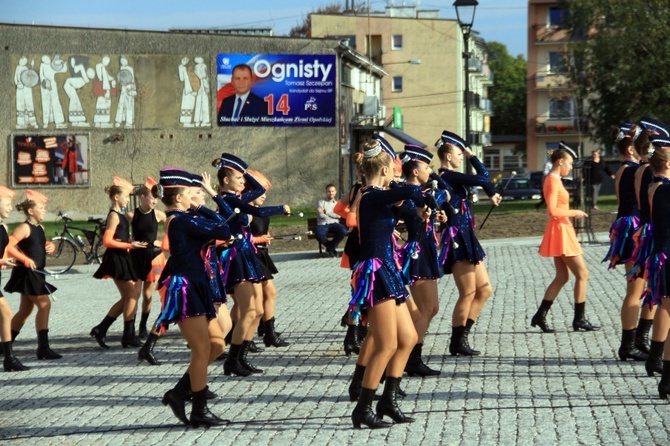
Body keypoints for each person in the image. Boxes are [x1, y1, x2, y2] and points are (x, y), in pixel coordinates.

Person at [349, 139, 429, 429]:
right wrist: (411, 192)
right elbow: (410, 189)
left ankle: (388, 401)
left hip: (389, 272)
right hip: (375, 272)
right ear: (384, 170)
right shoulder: (369, 196)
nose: (396, 174)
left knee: (407, 338)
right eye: (393, 171)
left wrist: (423, 211)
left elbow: (413, 220)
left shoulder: (383, 196)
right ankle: (363, 408)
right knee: (386, 344)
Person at [153, 168, 231, 427]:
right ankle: (199, 408)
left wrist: (200, 205)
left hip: (198, 287)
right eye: (191, 193)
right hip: (186, 289)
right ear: (178, 198)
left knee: (217, 344)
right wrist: (205, 205)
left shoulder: (185, 218)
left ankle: (178, 391)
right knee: (201, 349)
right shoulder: (183, 220)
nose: (196, 198)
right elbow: (225, 228)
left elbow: (227, 225)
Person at [212, 153, 289, 377]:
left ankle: (240, 358)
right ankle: (234, 359)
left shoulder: (238, 198)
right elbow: (258, 211)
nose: (243, 182)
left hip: (246, 255)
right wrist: (280, 208)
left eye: (243, 179)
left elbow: (258, 190)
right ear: (226, 180)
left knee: (256, 311)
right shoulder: (229, 200)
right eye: (238, 178)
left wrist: (244, 171)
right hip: (236, 257)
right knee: (248, 310)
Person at [436, 130, 501, 356]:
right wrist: (473, 155)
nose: (461, 156)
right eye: (458, 153)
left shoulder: (452, 176)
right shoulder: (448, 175)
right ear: (447, 156)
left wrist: (491, 193)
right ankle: (457, 341)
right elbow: (483, 177)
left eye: (462, 154)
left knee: (484, 290)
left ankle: (462, 337)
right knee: (467, 292)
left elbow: (484, 177)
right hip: (456, 237)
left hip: (467, 236)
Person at [531, 144, 600, 333]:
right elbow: (552, 210)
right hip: (560, 229)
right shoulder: (553, 181)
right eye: (569, 163)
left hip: (561, 229)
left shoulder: (554, 179)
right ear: (560, 161)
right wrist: (574, 212)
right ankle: (579, 319)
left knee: (562, 276)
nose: (570, 167)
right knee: (583, 274)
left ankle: (540, 315)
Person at [603, 124, 655, 361]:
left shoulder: (623, 169)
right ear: (634, 148)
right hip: (635, 229)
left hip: (626, 224)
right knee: (637, 289)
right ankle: (630, 343)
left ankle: (638, 341)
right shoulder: (639, 170)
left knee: (644, 288)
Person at [397, 145, 449, 376]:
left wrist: (437, 214)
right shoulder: (408, 194)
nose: (431, 170)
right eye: (427, 167)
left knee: (432, 308)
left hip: (427, 249)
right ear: (415, 171)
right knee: (424, 309)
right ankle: (410, 357)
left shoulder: (420, 193)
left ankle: (411, 355)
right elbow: (440, 195)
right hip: (417, 251)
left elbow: (444, 193)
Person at [90, 177, 148, 349]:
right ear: (116, 197)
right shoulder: (114, 216)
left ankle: (101, 329)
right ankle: (127, 335)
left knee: (128, 297)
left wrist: (130, 242)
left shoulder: (119, 215)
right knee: (131, 296)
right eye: (127, 196)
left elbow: (118, 237)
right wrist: (129, 244)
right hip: (116, 258)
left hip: (122, 256)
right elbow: (107, 241)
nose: (128, 200)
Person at [4, 189, 61, 361]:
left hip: (36, 273)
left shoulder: (39, 228)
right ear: (30, 211)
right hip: (28, 273)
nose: (44, 211)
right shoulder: (24, 228)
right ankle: (43, 348)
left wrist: (51, 246)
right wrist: (24, 259)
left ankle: (4, 345)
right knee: (44, 305)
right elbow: (8, 246)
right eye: (41, 208)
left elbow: (41, 243)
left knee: (25, 310)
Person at [247, 171, 289, 348]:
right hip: (251, 255)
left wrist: (266, 236)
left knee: (265, 295)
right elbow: (239, 237)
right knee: (263, 295)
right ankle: (261, 333)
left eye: (265, 192)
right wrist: (258, 239)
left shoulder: (261, 212)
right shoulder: (245, 212)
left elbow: (263, 230)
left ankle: (266, 331)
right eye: (260, 192)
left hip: (262, 255)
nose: (264, 196)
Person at [127, 177, 166, 338]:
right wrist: (129, 241)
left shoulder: (158, 214)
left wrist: (162, 241)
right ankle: (130, 327)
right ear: (142, 197)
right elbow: (116, 230)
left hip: (152, 256)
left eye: (157, 198)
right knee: (134, 294)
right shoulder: (131, 214)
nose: (155, 201)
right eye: (152, 197)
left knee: (148, 294)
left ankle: (143, 325)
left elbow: (174, 226)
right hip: (136, 256)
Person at [0, 186, 29, 371]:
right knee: (6, 312)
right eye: (7, 204)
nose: (11, 208)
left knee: (5, 314)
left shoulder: (3, 227)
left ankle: (8, 358)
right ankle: (9, 358)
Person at [315, 184, 348, 258]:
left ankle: (330, 248)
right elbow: (321, 216)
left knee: (343, 231)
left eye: (332, 191)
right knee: (318, 232)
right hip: (323, 224)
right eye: (329, 191)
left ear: (335, 192)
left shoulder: (338, 204)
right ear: (326, 192)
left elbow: (338, 215)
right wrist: (333, 213)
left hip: (335, 224)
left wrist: (326, 212)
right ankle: (331, 248)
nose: (331, 193)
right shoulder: (321, 202)